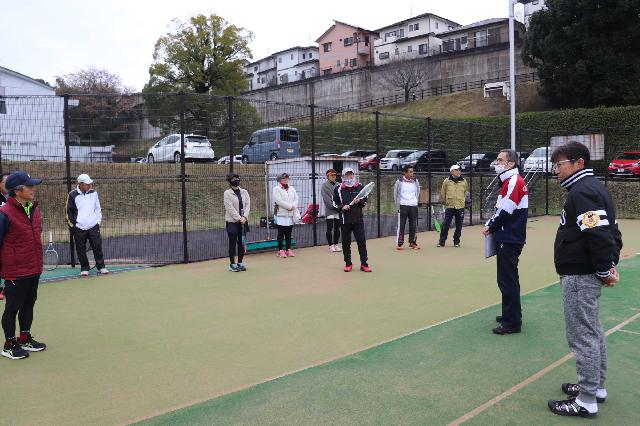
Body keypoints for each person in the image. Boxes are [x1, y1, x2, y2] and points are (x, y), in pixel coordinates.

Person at [547, 142, 622, 418]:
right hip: (585, 272)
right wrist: (609, 264)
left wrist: (604, 270)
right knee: (592, 330)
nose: (556, 170)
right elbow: (612, 232)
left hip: (580, 274)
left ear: (579, 163)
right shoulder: (593, 188)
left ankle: (586, 400)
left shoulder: (583, 191)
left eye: (560, 164)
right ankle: (595, 387)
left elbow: (600, 234)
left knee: (582, 335)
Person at [0, 171, 46, 360]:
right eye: (29, 186)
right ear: (17, 191)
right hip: (15, 271)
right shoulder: (4, 213)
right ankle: (9, 344)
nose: (33, 189)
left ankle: (25, 338)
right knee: (13, 307)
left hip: (33, 267)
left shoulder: (34, 209)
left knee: (29, 304)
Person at [482, 149, 528, 335]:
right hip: (510, 237)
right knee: (509, 279)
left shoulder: (514, 181)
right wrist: (492, 224)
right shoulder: (510, 181)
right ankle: (511, 315)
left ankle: (512, 322)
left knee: (507, 280)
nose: (497, 163)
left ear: (511, 163)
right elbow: (502, 208)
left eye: (500, 160)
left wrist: (490, 226)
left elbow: (505, 211)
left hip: (509, 237)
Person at [65, 174, 108, 276]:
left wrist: (97, 222)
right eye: (87, 183)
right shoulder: (72, 195)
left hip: (93, 226)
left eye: (90, 183)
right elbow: (68, 212)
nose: (90, 185)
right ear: (80, 184)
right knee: (81, 248)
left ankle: (101, 267)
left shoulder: (94, 193)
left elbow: (98, 208)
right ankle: (84, 268)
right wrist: (74, 226)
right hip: (79, 228)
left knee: (97, 246)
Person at [333, 168, 372, 272]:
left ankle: (364, 264)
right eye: (347, 175)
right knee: (346, 243)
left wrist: (360, 201)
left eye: (351, 174)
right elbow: (334, 203)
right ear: (343, 176)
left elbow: (365, 201)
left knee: (361, 242)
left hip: (358, 220)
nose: (349, 176)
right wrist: (342, 207)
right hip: (345, 221)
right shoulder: (338, 189)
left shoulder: (360, 187)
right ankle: (348, 263)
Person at [224, 173, 250, 272]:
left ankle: (240, 262)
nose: (236, 180)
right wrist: (239, 218)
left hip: (243, 222)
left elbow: (247, 205)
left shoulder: (244, 192)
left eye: (237, 178)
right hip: (232, 223)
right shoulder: (227, 193)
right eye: (233, 179)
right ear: (229, 181)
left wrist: (245, 217)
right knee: (232, 243)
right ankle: (232, 264)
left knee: (242, 243)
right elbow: (229, 208)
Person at [438, 165, 468, 248]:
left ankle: (456, 241)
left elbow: (465, 192)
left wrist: (462, 200)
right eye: (456, 170)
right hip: (450, 206)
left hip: (460, 206)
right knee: (446, 224)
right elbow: (443, 192)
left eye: (459, 170)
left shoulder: (464, 181)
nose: (459, 171)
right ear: (452, 172)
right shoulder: (446, 181)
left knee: (459, 225)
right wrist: (447, 201)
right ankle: (441, 242)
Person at [394, 165, 420, 250]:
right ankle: (400, 243)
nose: (412, 173)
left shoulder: (415, 181)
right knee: (401, 225)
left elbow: (418, 192)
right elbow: (395, 194)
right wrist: (398, 205)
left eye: (412, 172)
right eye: (410, 172)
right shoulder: (399, 181)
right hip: (403, 205)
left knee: (413, 224)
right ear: (405, 173)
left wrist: (415, 201)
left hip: (413, 206)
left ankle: (412, 242)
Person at [272, 173, 299, 258]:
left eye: (287, 178)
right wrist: (290, 207)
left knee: (288, 233)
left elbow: (296, 198)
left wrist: (294, 206)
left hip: (290, 214)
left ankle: (288, 249)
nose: (286, 180)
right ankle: (280, 250)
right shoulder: (276, 189)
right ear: (280, 180)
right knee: (281, 233)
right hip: (281, 214)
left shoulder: (292, 188)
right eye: (283, 178)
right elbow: (279, 201)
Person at [321, 169, 342, 252]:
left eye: (334, 175)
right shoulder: (324, 186)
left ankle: (336, 244)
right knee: (329, 228)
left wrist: (339, 206)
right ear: (328, 176)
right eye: (331, 175)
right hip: (330, 210)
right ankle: (330, 245)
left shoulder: (339, 185)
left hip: (338, 210)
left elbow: (341, 197)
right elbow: (326, 199)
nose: (333, 177)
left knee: (337, 228)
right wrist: (335, 206)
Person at [0, 172, 10, 301]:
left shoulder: (7, 198)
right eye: (5, 182)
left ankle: (7, 288)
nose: (8, 185)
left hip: (6, 239)